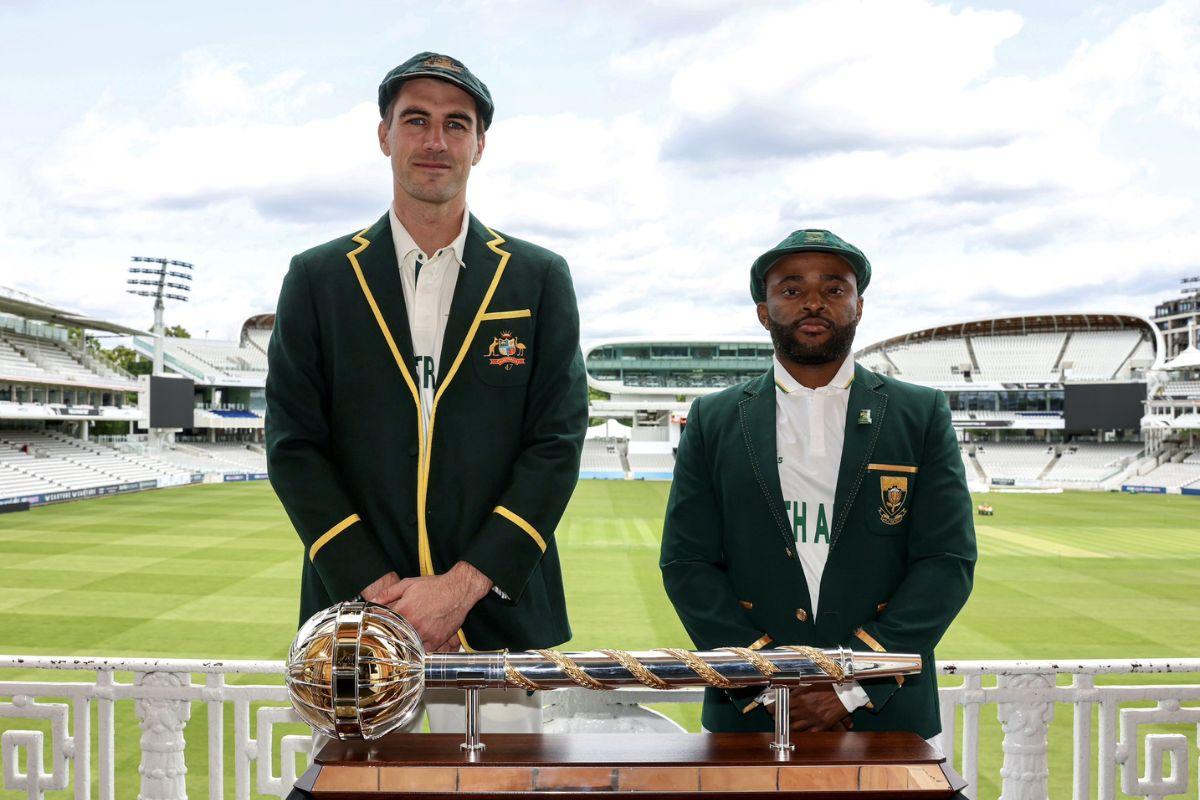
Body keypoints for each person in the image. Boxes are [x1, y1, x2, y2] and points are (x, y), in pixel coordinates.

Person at [266, 52, 588, 732]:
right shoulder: (318, 276)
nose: (435, 141)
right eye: (416, 120)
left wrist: (461, 588)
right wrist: (383, 596)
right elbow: (294, 446)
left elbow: (556, 446)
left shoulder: (538, 276)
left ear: (480, 144)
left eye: (456, 124)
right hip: (357, 631)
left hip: (500, 620)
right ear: (384, 135)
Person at [659, 229, 976, 744]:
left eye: (834, 289)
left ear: (858, 306)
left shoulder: (920, 414)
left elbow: (947, 563)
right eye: (790, 289)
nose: (813, 302)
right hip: (751, 712)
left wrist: (851, 684)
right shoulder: (713, 418)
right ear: (764, 310)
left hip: (887, 714)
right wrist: (767, 679)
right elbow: (687, 563)